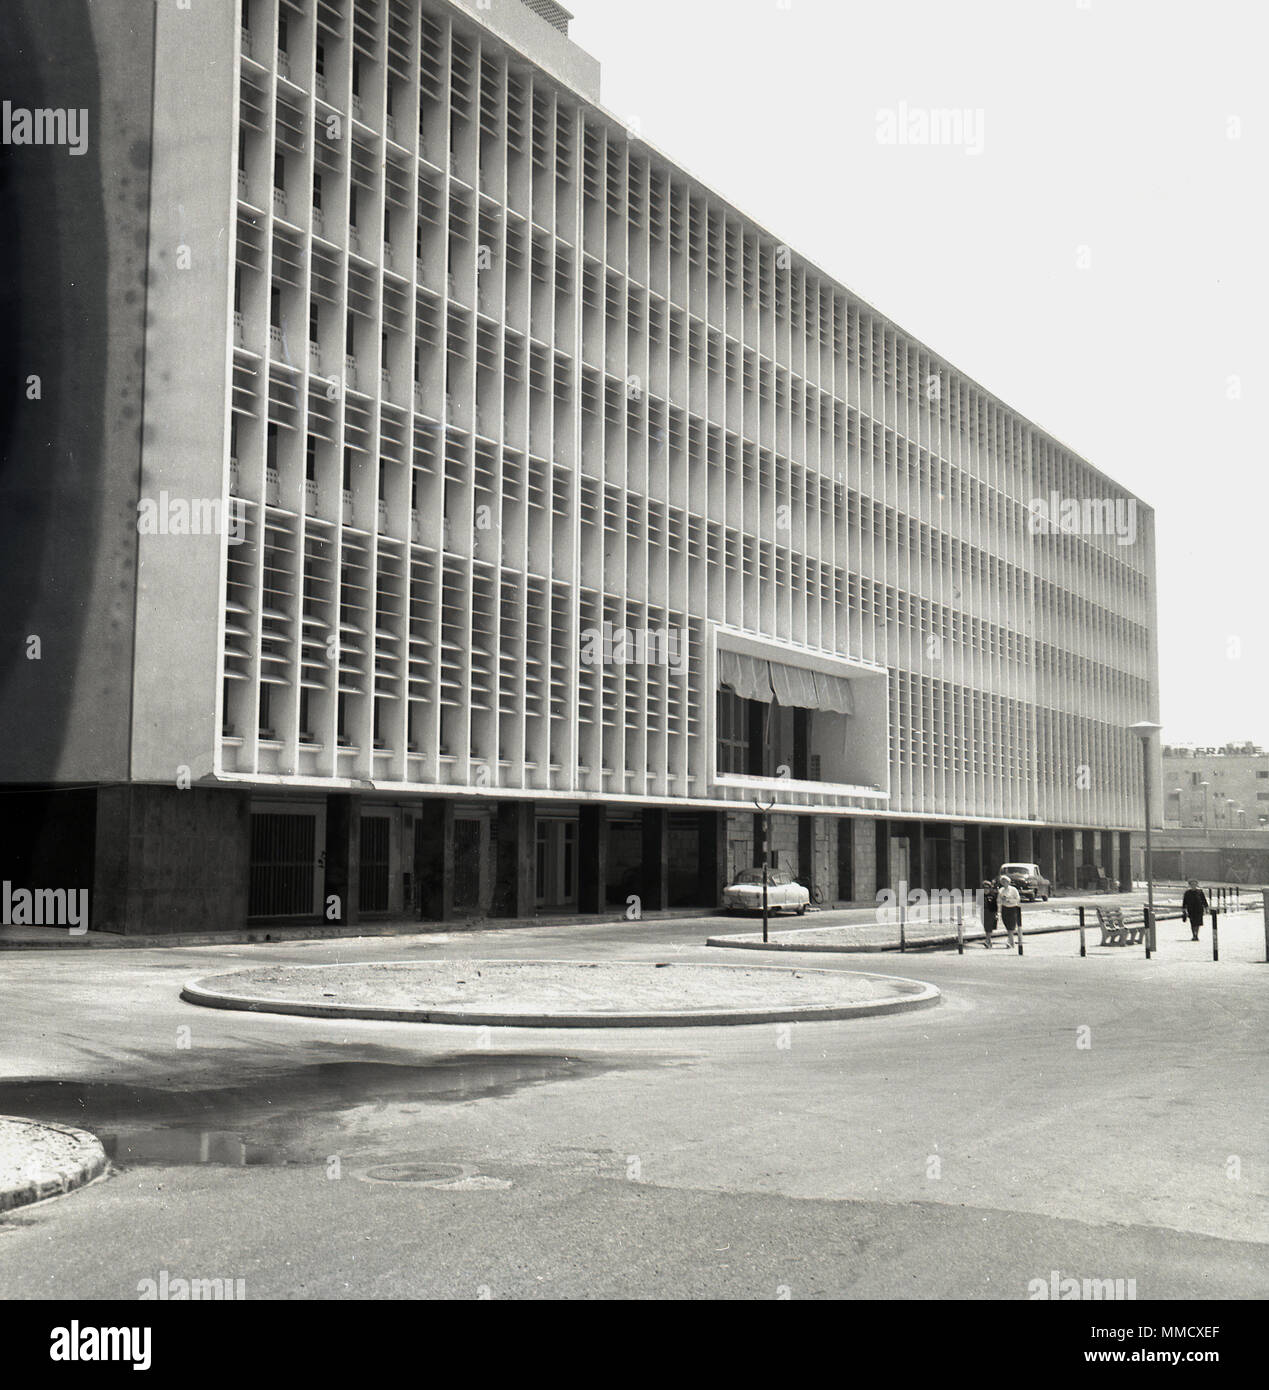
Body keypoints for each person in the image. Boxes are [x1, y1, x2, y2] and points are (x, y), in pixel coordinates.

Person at [997, 875, 1022, 949]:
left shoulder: (1013, 889)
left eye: (1006, 881)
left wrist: (1009, 900)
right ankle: (1012, 941)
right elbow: (998, 900)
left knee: (1011, 924)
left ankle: (1009, 941)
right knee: (1006, 924)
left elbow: (1017, 899)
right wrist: (1002, 900)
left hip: (1012, 908)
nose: (1004, 883)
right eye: (1003, 881)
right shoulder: (1001, 890)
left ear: (1008, 882)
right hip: (1004, 908)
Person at [980, 879, 999, 948]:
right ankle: (988, 941)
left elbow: (995, 906)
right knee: (986, 927)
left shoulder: (992, 895)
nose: (985, 889)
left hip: (991, 912)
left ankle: (988, 941)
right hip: (984, 912)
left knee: (989, 927)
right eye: (984, 888)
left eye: (987, 888)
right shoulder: (981, 896)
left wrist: (996, 914)